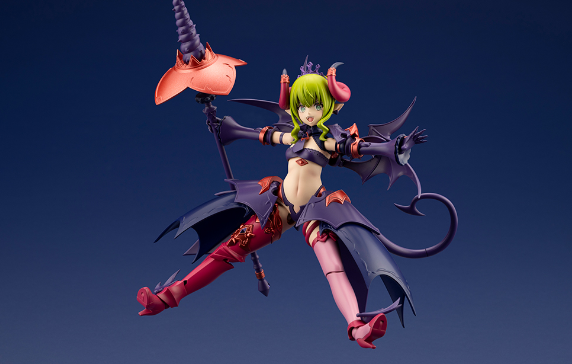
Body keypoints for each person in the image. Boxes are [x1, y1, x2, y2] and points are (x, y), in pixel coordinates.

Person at [137, 58, 428, 349]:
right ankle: (168, 297)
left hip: (314, 210)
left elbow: (359, 147)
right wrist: (224, 128)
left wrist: (394, 148)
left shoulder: (328, 141)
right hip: (280, 206)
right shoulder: (293, 136)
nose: (308, 113)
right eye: (302, 106)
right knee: (227, 251)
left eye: (316, 106)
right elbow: (259, 134)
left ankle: (356, 326)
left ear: (327, 106)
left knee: (334, 268)